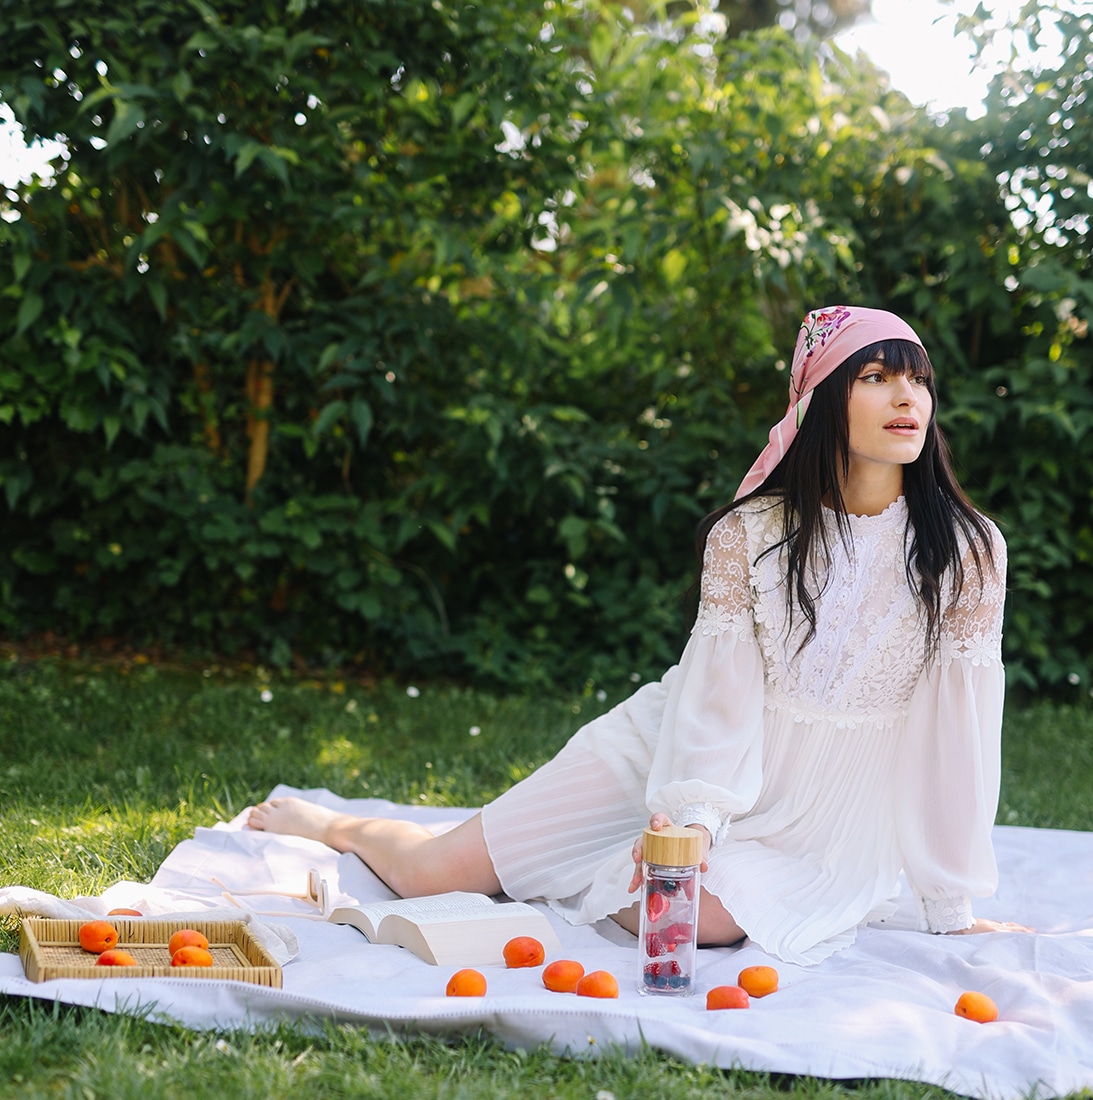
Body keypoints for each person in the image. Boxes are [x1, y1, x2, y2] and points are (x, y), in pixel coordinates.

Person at [247, 305, 1033, 964]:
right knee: (433, 875)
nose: (907, 397)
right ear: (824, 397)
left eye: (918, 379)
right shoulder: (751, 533)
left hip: (818, 820)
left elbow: (956, 734)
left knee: (700, 921)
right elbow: (719, 698)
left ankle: (583, 877)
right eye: (878, 376)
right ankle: (337, 825)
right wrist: (690, 820)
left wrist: (949, 902)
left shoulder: (967, 550)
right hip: (678, 752)